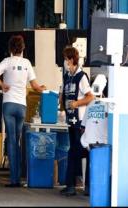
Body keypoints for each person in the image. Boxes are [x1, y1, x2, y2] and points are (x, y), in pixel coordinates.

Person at [0, 35, 46, 187]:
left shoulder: (7, 62)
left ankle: (13, 179)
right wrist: (44, 90)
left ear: (10, 48)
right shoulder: (27, 63)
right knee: (18, 140)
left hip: (8, 104)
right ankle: (20, 177)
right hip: (21, 106)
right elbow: (35, 86)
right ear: (23, 48)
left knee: (11, 139)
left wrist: (2, 85)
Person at [59, 46, 94, 196]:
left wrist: (76, 104)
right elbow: (64, 95)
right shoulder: (67, 76)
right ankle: (72, 185)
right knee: (74, 151)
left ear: (72, 59)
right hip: (70, 121)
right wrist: (62, 103)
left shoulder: (81, 77)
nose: (65, 63)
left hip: (80, 121)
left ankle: (79, 185)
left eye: (66, 60)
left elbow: (90, 96)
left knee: (79, 151)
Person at [80, 74, 108, 196]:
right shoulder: (108, 105)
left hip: (88, 142)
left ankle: (87, 187)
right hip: (103, 142)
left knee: (90, 158)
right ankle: (100, 186)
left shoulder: (90, 104)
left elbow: (83, 125)